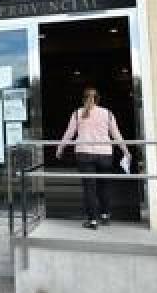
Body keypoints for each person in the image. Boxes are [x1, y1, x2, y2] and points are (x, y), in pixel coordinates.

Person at [56, 87, 132, 229]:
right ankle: (105, 215)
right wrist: (126, 151)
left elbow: (69, 133)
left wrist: (60, 148)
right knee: (104, 186)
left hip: (84, 154)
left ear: (83, 98)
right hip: (105, 154)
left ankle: (92, 221)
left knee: (89, 188)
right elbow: (116, 134)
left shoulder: (77, 113)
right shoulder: (107, 113)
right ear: (98, 99)